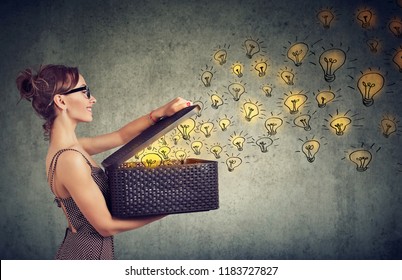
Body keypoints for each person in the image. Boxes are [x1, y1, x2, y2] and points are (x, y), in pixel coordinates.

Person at [16, 64, 192, 259]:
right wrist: (166, 210)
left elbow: (121, 135)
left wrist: (162, 111)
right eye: (85, 92)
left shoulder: (73, 148)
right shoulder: (70, 159)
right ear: (61, 101)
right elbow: (106, 226)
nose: (93, 99)